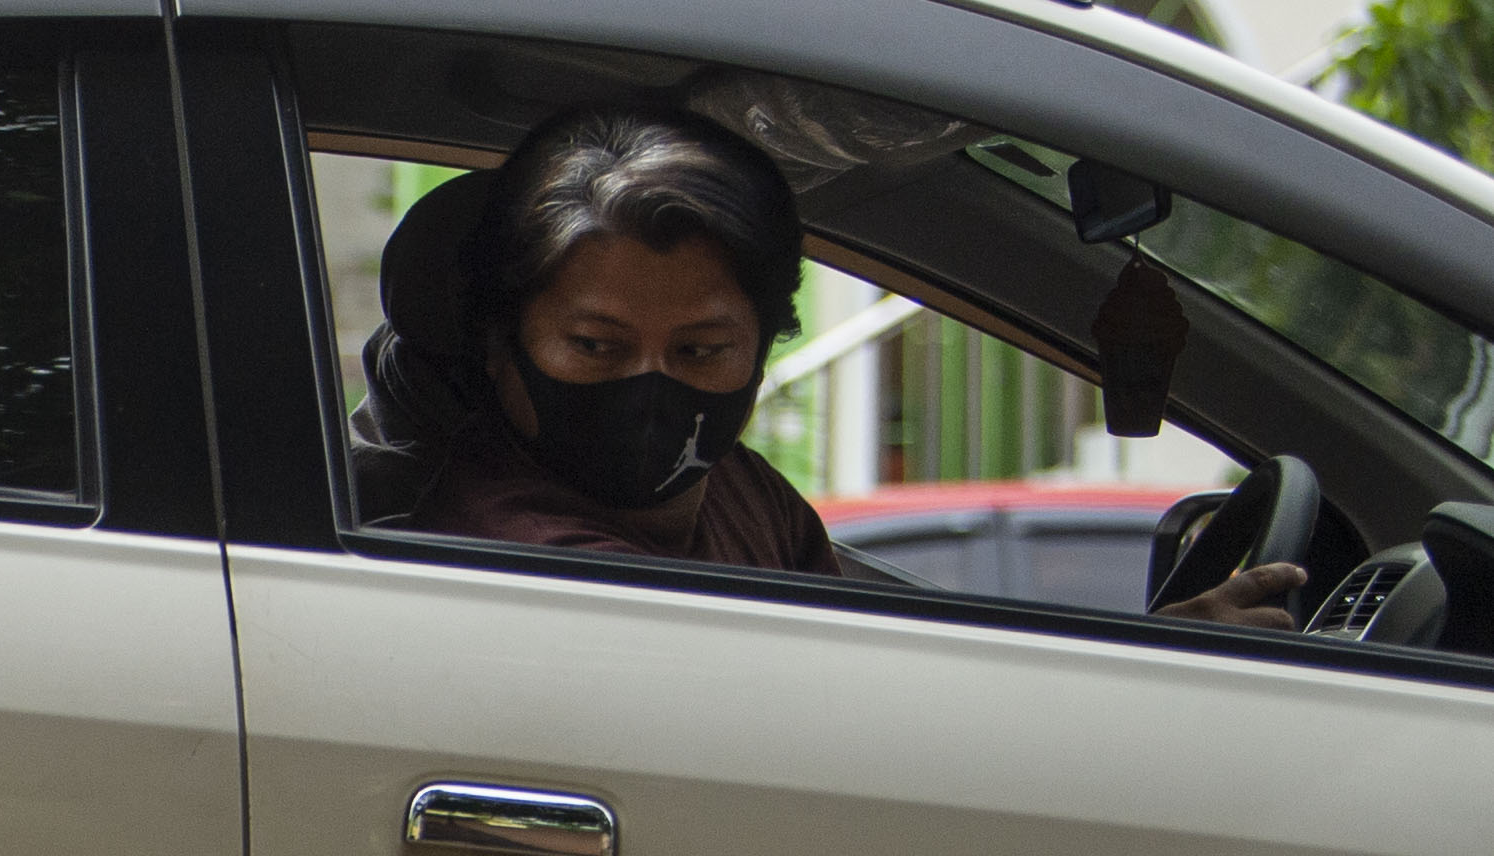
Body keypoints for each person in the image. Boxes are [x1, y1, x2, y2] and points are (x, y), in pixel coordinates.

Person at [414, 103, 1305, 628]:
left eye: (701, 351)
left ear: (763, 352)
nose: (650, 386)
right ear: (503, 349)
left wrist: (1150, 653)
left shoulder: (737, 494)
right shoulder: (531, 565)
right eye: (596, 347)